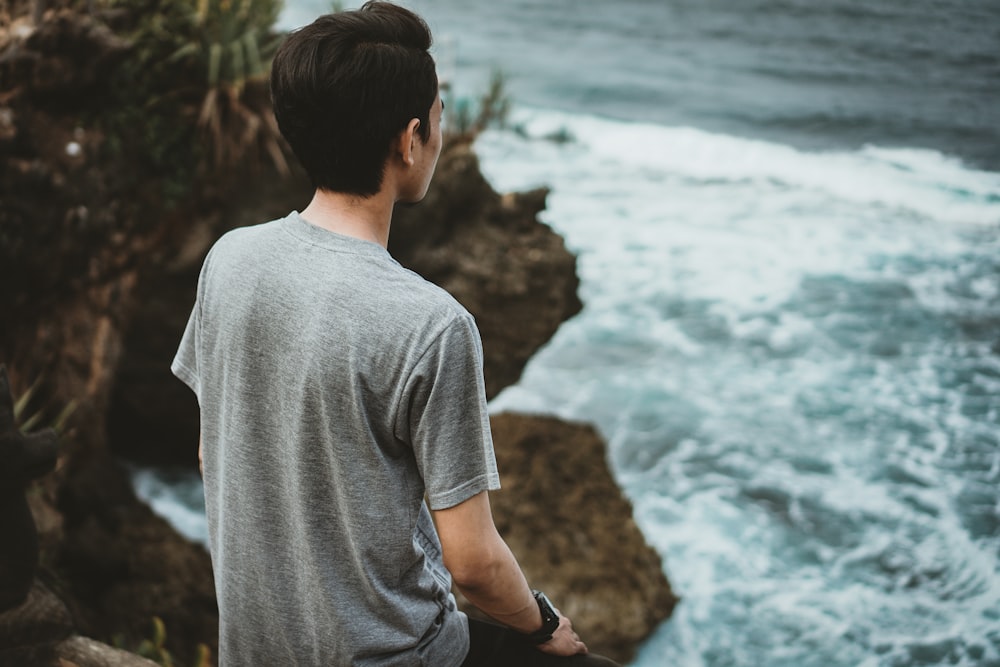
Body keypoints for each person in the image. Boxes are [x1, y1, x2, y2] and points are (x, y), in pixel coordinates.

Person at [172, 2, 621, 665]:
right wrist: (543, 624)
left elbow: (216, 453)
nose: (441, 135)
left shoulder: (229, 259)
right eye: (440, 118)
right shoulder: (432, 324)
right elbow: (473, 564)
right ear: (408, 141)